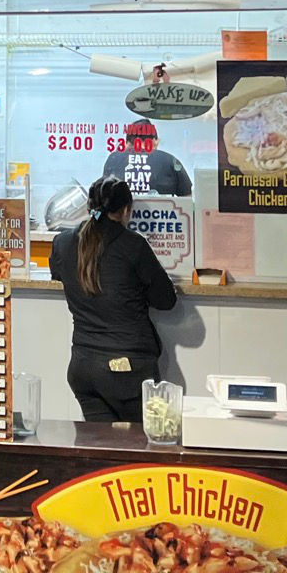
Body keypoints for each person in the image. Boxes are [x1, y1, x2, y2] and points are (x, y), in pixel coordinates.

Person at [52, 175, 179, 423]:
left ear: (89, 207)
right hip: (128, 370)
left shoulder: (63, 243)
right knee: (138, 450)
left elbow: (60, 273)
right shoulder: (133, 246)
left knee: (100, 447)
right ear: (125, 210)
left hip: (83, 367)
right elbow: (166, 300)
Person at [101, 119, 193, 197]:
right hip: (162, 216)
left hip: (122, 217)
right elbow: (188, 199)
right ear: (155, 141)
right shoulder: (170, 161)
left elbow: (103, 194)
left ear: (127, 143)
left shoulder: (114, 159)